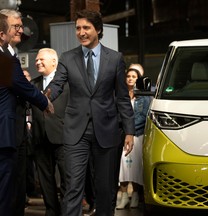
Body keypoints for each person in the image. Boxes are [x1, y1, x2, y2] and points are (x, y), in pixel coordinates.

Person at [45, 9, 135, 216]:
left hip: (107, 131)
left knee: (105, 189)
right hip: (76, 133)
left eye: (86, 27)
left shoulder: (115, 59)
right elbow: (57, 85)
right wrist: (44, 98)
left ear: (98, 30)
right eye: (78, 28)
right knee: (73, 187)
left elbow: (122, 97)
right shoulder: (68, 58)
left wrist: (129, 131)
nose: (81, 32)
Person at [0, 13, 54, 216]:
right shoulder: (4, 59)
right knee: (5, 190)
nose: (18, 31)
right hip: (5, 132)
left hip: (13, 131)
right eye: (12, 27)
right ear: (2, 34)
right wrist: (44, 102)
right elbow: (20, 85)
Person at [30, 48, 69, 216]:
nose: (37, 62)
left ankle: (67, 210)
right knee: (45, 179)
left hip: (64, 138)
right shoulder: (32, 85)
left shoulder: (68, 84)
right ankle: (52, 210)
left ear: (54, 62)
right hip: (40, 138)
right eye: (36, 60)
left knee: (68, 178)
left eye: (41, 59)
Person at [117, 64, 151, 209]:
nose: (130, 79)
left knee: (136, 167)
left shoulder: (143, 96)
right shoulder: (119, 94)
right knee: (122, 168)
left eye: (134, 77)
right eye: (128, 76)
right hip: (121, 136)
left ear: (138, 79)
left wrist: (130, 130)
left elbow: (143, 117)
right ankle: (124, 196)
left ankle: (135, 196)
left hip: (137, 136)